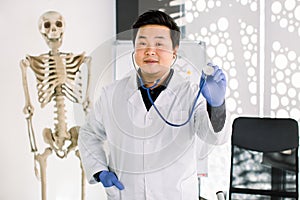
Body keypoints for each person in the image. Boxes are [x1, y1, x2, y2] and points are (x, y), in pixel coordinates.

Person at [78, 10, 231, 200]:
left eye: (159, 44)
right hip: (127, 194)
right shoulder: (111, 94)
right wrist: (100, 171)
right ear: (134, 50)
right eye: (142, 43)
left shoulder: (191, 94)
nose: (150, 51)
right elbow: (88, 134)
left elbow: (215, 137)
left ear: (174, 52)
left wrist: (216, 105)